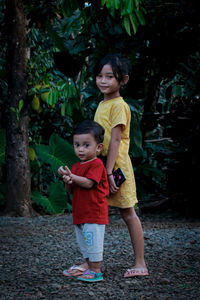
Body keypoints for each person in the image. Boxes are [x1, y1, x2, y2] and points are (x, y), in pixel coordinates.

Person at [94, 53, 149, 278]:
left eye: (109, 76)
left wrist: (108, 172)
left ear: (123, 80)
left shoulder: (119, 106)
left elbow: (115, 140)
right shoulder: (102, 103)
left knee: (128, 213)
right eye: (99, 76)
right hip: (101, 167)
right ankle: (91, 262)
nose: (103, 81)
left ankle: (141, 263)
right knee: (95, 213)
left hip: (116, 169)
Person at [58, 120, 109, 282]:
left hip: (94, 213)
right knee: (85, 243)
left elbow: (88, 183)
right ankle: (87, 266)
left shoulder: (97, 164)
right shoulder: (75, 166)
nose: (80, 149)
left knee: (93, 241)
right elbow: (70, 190)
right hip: (80, 212)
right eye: (77, 145)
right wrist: (67, 180)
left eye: (86, 145)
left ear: (98, 147)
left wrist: (72, 176)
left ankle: (96, 270)